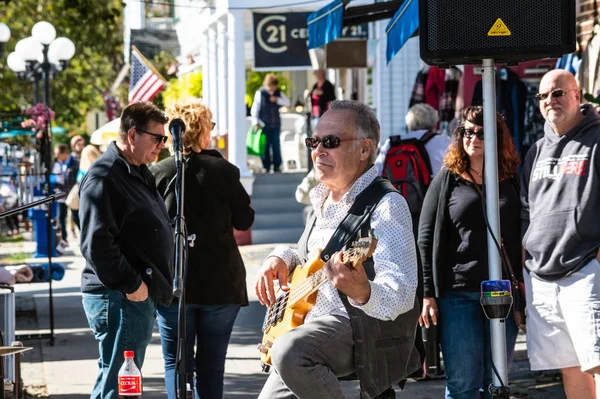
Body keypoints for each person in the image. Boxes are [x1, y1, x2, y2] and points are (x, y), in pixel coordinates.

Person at [255, 100, 422, 399]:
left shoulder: (387, 205)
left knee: (290, 350)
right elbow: (310, 258)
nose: (318, 150)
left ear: (364, 149)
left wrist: (363, 291)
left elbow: (401, 292)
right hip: (308, 327)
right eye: (314, 141)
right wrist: (281, 256)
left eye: (330, 142)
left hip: (359, 328)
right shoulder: (322, 200)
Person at [150, 100, 255, 399]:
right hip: (220, 284)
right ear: (204, 130)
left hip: (173, 283)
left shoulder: (159, 173)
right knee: (212, 366)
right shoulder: (223, 170)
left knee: (175, 362)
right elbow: (244, 218)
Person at [417, 106, 521, 399]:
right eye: (467, 131)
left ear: (496, 137)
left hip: (502, 292)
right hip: (458, 293)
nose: (472, 138)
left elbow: (520, 235)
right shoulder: (447, 179)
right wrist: (428, 294)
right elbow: (425, 239)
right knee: (463, 385)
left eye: (481, 132)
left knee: (496, 383)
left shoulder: (510, 179)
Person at [79, 102, 174, 399]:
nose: (161, 145)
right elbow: (96, 244)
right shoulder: (106, 176)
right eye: (156, 138)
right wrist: (132, 285)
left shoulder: (135, 169)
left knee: (123, 385)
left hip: (131, 297)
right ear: (132, 135)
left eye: (164, 139)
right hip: (119, 297)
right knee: (118, 386)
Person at [521, 69, 600, 399]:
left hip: (586, 270)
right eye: (543, 96)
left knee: (596, 362)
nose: (550, 101)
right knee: (569, 365)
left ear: (577, 95)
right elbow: (526, 211)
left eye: (558, 93)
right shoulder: (536, 150)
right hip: (541, 276)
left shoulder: (596, 138)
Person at [375, 103, 450, 177]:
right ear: (434, 122)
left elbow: (376, 172)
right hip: (434, 188)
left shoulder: (392, 143)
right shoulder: (443, 141)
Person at [250, 74, 290, 173]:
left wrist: (277, 100)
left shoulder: (278, 93)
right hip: (264, 124)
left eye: (274, 86)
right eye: (271, 86)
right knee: (265, 146)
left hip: (276, 124)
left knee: (276, 145)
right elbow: (255, 109)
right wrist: (255, 122)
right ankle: (266, 166)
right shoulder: (260, 93)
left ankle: (277, 165)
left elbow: (287, 102)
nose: (272, 88)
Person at [52, 143, 79, 252]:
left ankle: (85, 237)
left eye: (58, 154)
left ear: (64, 153)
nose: (57, 156)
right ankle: (64, 240)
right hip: (62, 196)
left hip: (72, 197)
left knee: (76, 217)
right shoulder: (58, 164)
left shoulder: (75, 162)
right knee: (61, 219)